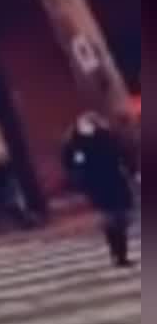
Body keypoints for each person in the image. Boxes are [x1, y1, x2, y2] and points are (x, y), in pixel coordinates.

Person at [62, 112, 135, 267]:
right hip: (96, 184)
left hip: (115, 179)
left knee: (122, 217)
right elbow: (69, 163)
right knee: (110, 218)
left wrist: (132, 171)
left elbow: (124, 153)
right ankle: (118, 254)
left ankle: (120, 252)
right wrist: (79, 179)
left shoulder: (107, 137)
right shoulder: (75, 142)